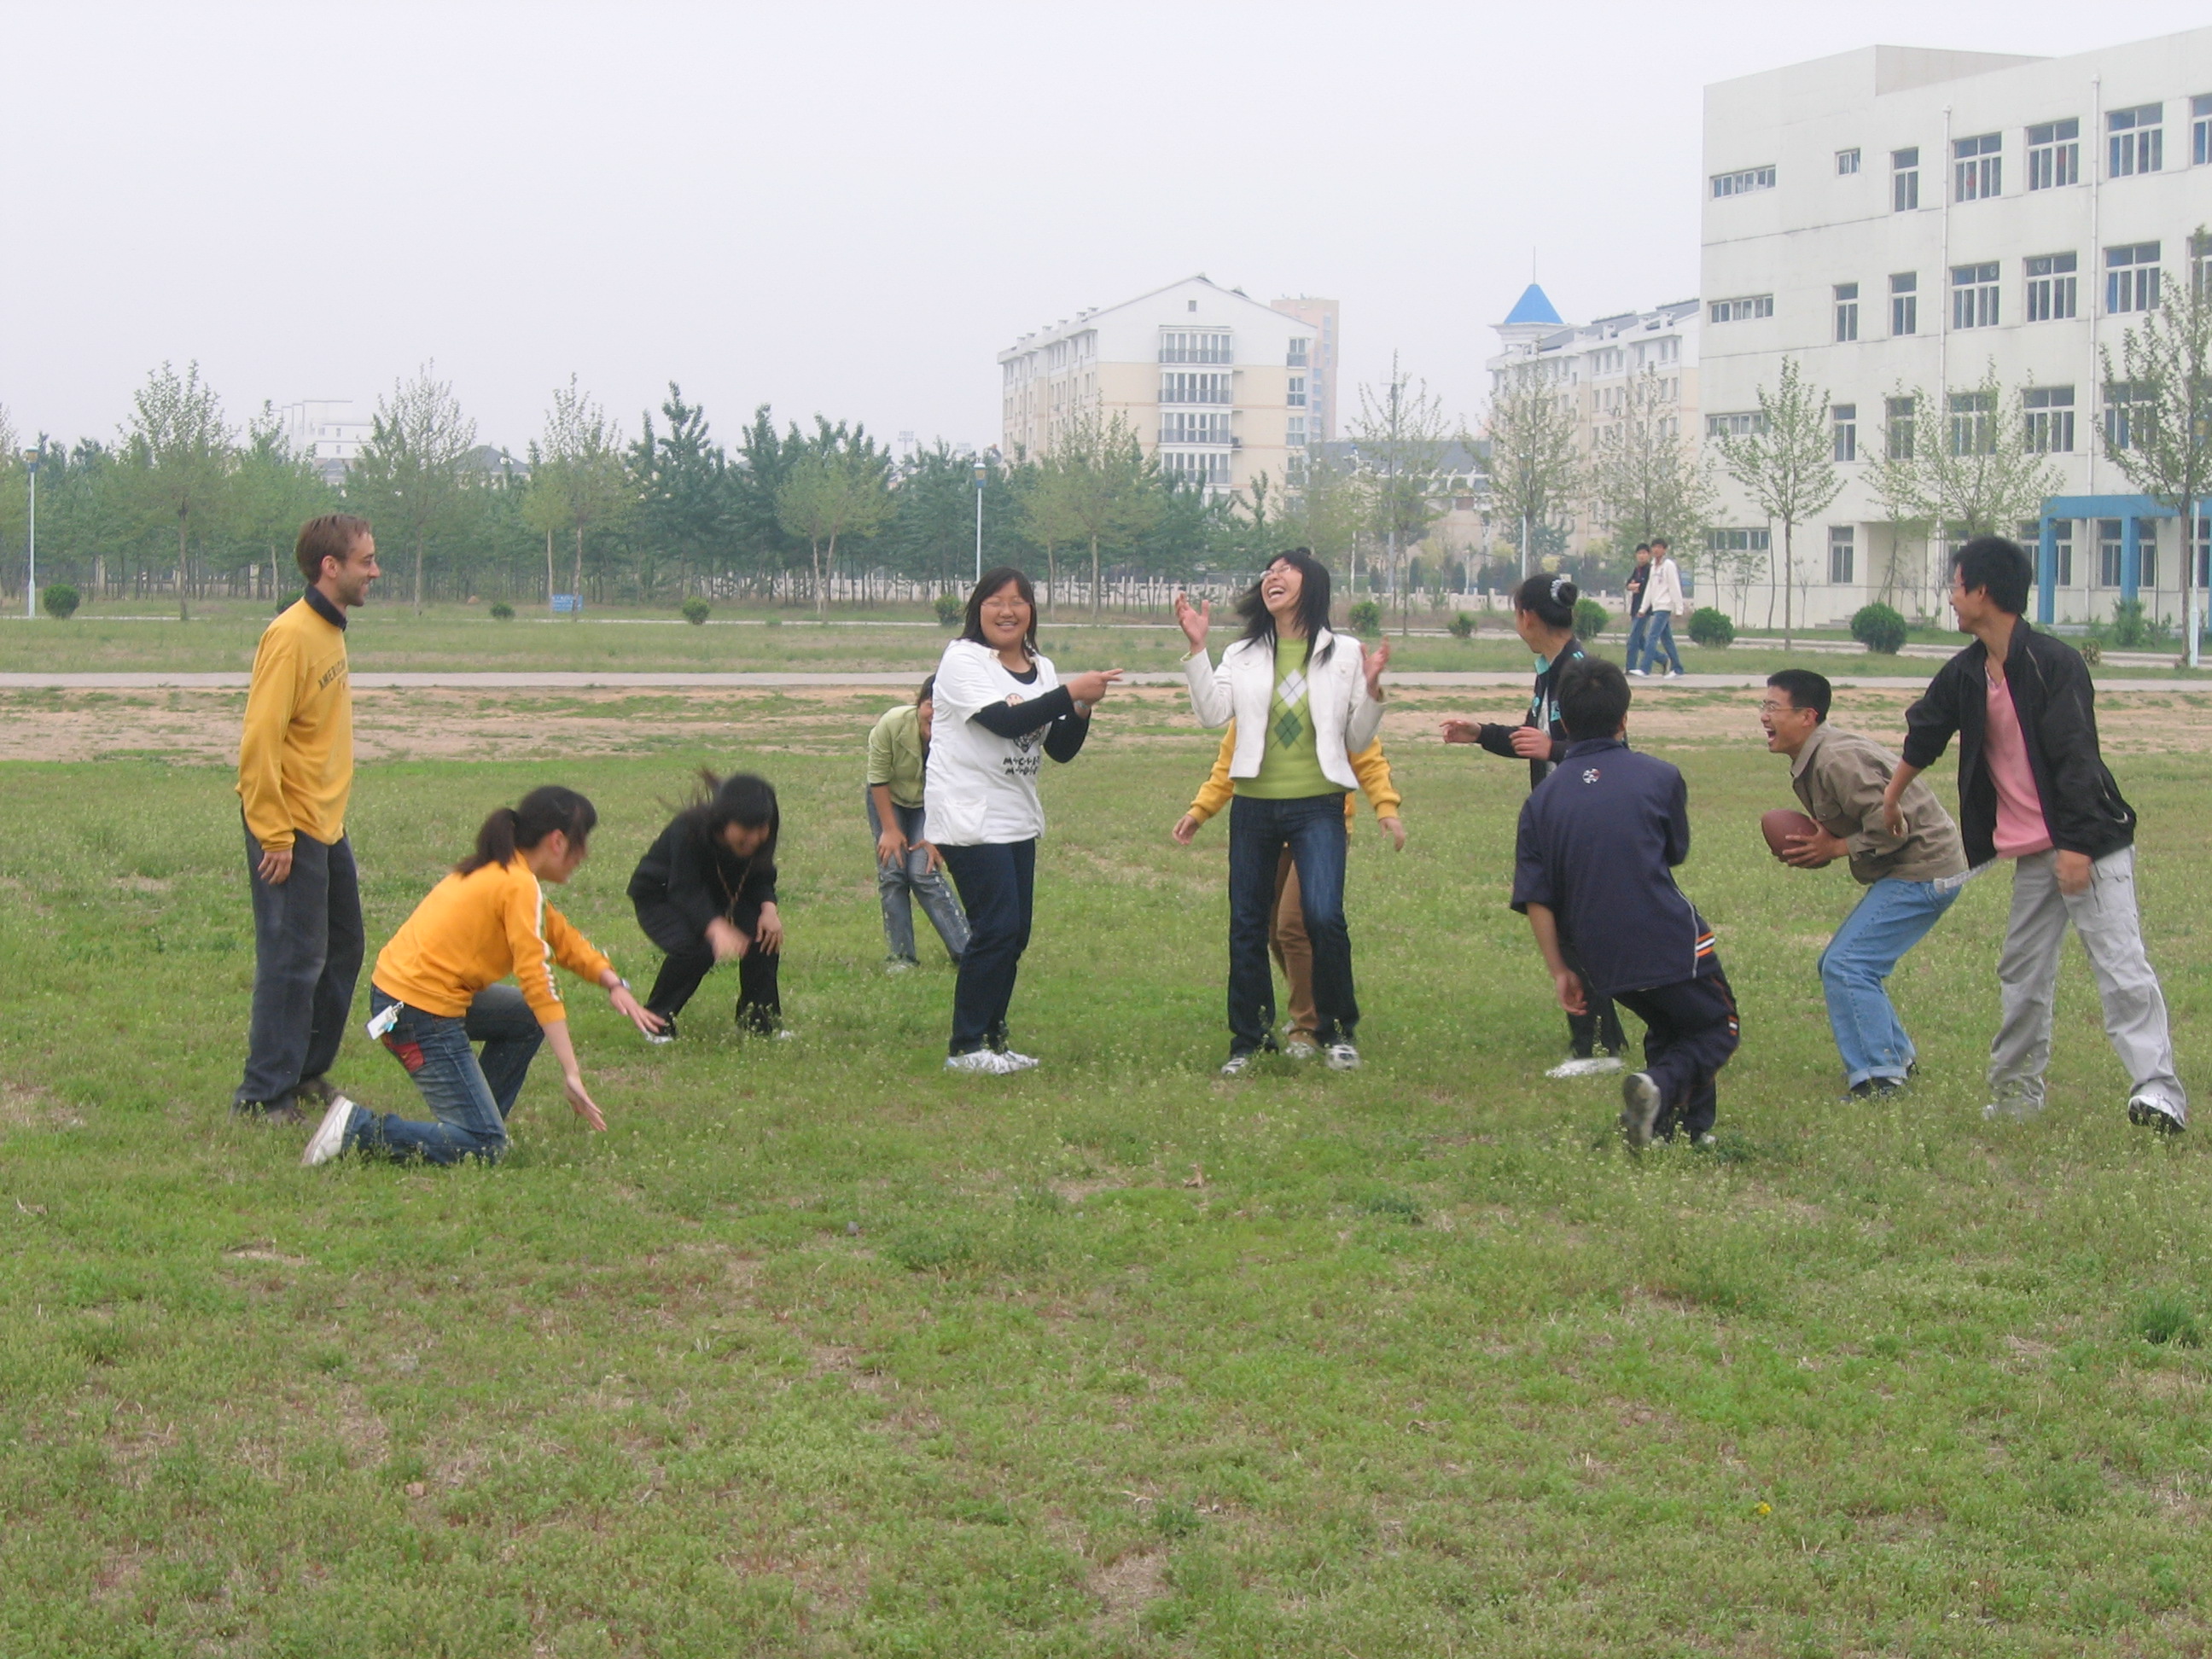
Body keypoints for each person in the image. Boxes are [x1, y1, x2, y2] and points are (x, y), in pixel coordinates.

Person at [1879, 535, 2186, 1133]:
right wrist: (1893, 797)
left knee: (2121, 968)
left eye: (1956, 585)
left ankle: (2158, 1093)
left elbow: (2077, 760)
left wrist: (2076, 848)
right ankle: (2017, 1096)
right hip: (2033, 856)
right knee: (2022, 976)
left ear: (1982, 592)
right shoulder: (1967, 672)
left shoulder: (2053, 663)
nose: (1951, 596)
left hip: (2091, 844)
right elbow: (1927, 730)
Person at [300, 786, 661, 1166]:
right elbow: (537, 980)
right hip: (416, 1012)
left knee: (524, 1020)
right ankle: (358, 1129)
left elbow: (560, 937)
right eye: (582, 841)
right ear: (557, 841)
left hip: (409, 999)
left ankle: (478, 1123)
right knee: (486, 1146)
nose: (584, 855)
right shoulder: (515, 883)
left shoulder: (507, 871)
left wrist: (612, 982)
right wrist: (572, 1072)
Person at [1176, 549, 1391, 1074]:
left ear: (1311, 584)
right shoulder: (1242, 653)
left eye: (1285, 570)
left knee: (1323, 916)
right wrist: (1199, 649)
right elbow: (1211, 714)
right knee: (1247, 924)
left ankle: (1337, 1032)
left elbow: (1357, 739)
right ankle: (1249, 1041)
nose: (1273, 577)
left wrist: (1372, 691)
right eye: (1268, 572)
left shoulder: (1344, 653)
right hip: (1254, 806)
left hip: (1320, 806)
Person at [1511, 658, 1738, 1147]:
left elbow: (1536, 897)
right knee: (1717, 1027)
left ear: (1563, 725)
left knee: (1667, 1023)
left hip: (1598, 955)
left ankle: (1680, 1130)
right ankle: (1658, 1088)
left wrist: (1560, 970)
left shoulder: (1541, 800)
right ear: (1624, 719)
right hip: (1665, 934)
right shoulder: (1661, 776)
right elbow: (1674, 852)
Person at [927, 568, 1121, 1074]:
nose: (1007, 611)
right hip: (969, 814)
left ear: (1031, 611)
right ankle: (966, 1047)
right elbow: (1004, 720)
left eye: (1018, 601)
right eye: (995, 601)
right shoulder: (963, 659)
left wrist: (1081, 706)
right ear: (978, 609)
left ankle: (993, 1039)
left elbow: (1060, 749)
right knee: (995, 928)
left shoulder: (1042, 668)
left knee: (1016, 934)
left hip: (1016, 816)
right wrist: (1069, 692)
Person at [1441, 571, 1628, 1074]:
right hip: (1562, 817)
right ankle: (1604, 1039)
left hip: (1586, 819)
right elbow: (1535, 738)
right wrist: (1481, 733)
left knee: (1575, 933)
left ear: (1526, 616)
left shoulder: (1581, 673)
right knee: (1570, 930)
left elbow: (1612, 750)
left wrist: (1554, 749)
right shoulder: (1552, 669)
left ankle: (1595, 1050)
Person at [233, 513, 380, 1126]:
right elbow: (258, 742)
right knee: (292, 961)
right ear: (330, 566)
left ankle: (304, 1071)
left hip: (325, 823)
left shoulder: (330, 630)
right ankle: (264, 1094)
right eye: (366, 561)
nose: (375, 571)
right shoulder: (290, 635)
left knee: (343, 947)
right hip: (288, 824)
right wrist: (274, 833)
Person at [1760, 668, 1968, 1098]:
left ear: (1807, 716)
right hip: (1917, 867)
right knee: (1844, 962)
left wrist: (1835, 848)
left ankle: (1880, 1077)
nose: (1764, 716)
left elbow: (1893, 826)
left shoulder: (1836, 759)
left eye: (1773, 707)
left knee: (1848, 964)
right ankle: (1896, 1058)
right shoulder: (1819, 756)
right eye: (1764, 706)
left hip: (1924, 868)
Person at [1173, 725, 1406, 1058]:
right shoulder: (1254, 700)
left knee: (1294, 925)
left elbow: (1367, 756)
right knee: (1272, 932)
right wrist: (1200, 810)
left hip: (1321, 822)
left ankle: (1308, 1025)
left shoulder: (1334, 698)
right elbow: (1230, 762)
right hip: (1264, 822)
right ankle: (1311, 1006)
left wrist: (1385, 806)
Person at [628, 771, 789, 1042]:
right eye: (746, 829)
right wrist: (716, 927)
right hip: (661, 896)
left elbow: (760, 874)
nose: (754, 838)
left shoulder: (761, 835)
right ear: (723, 820)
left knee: (764, 937)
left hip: (721, 895)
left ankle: (759, 1023)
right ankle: (655, 1022)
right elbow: (685, 888)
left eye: (761, 828)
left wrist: (768, 909)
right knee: (698, 948)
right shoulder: (687, 829)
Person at [866, 676, 969, 973]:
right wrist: (890, 830)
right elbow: (877, 778)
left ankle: (967, 951)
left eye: (944, 709)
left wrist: (937, 835)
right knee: (892, 870)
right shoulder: (893, 724)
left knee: (923, 871)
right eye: (929, 705)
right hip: (889, 799)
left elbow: (957, 787)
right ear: (919, 704)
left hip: (933, 804)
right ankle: (902, 957)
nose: (935, 714)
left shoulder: (962, 737)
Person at [1633, 537, 1688, 678]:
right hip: (1656, 606)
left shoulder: (1668, 565)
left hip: (1665, 606)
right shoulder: (1653, 566)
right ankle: (1678, 668)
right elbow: (1650, 589)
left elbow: (1674, 586)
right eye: (1654, 547)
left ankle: (1645, 669)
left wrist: (1679, 607)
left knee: (1652, 636)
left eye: (1659, 547)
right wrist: (1643, 608)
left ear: (1664, 550)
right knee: (1667, 639)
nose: (1656, 550)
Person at [1621, 544, 1655, 676]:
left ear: (1649, 555)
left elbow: (1646, 587)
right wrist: (1632, 586)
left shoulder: (1650, 570)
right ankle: (1662, 658)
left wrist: (1635, 586)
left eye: (1644, 553)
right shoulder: (1637, 569)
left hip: (1644, 609)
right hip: (1635, 608)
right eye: (1639, 553)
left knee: (1633, 639)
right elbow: (1628, 584)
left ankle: (1630, 667)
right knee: (1641, 641)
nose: (1642, 556)